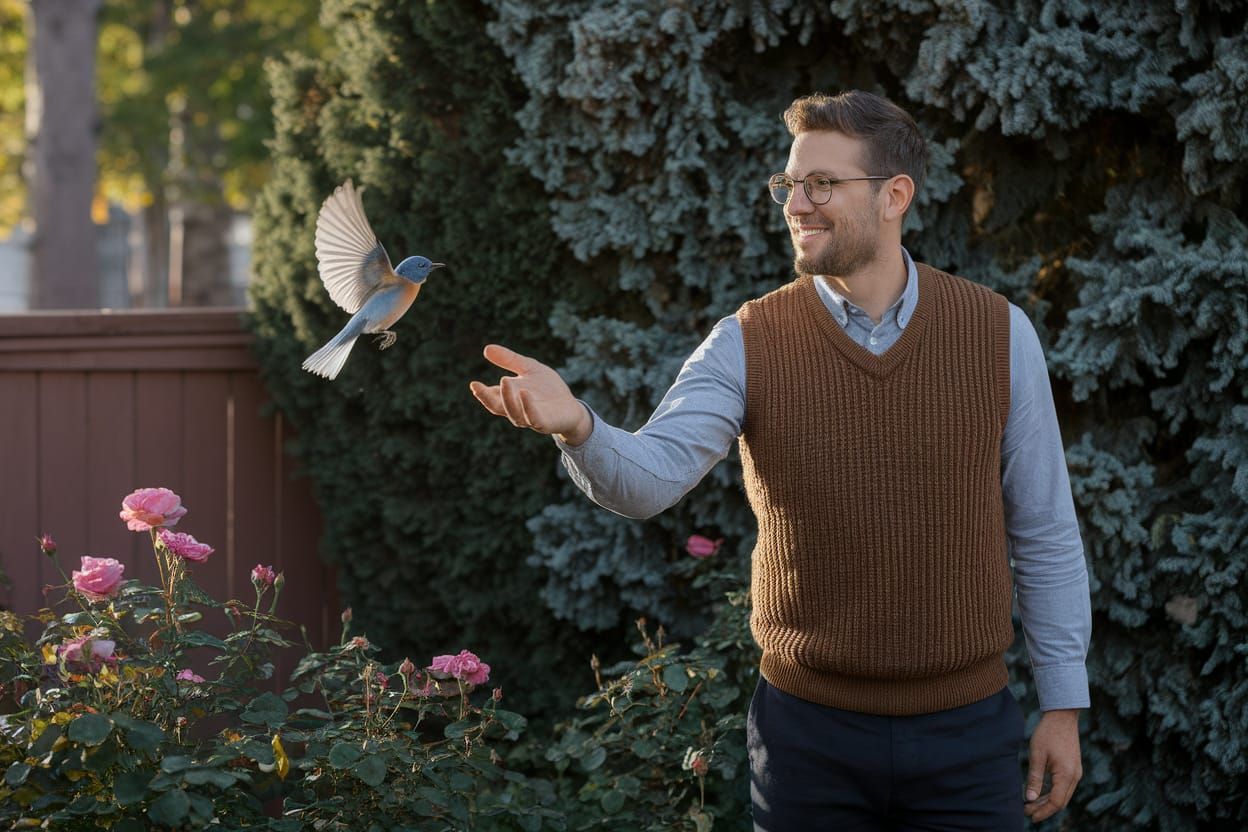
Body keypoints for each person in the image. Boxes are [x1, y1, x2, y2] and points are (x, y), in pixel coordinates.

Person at [470, 90, 1090, 831]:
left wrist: (1062, 704)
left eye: (822, 183)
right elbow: (651, 479)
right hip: (807, 742)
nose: (798, 203)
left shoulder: (998, 334)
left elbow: (1046, 529)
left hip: (968, 736)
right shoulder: (748, 340)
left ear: (895, 196)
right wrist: (578, 427)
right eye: (790, 184)